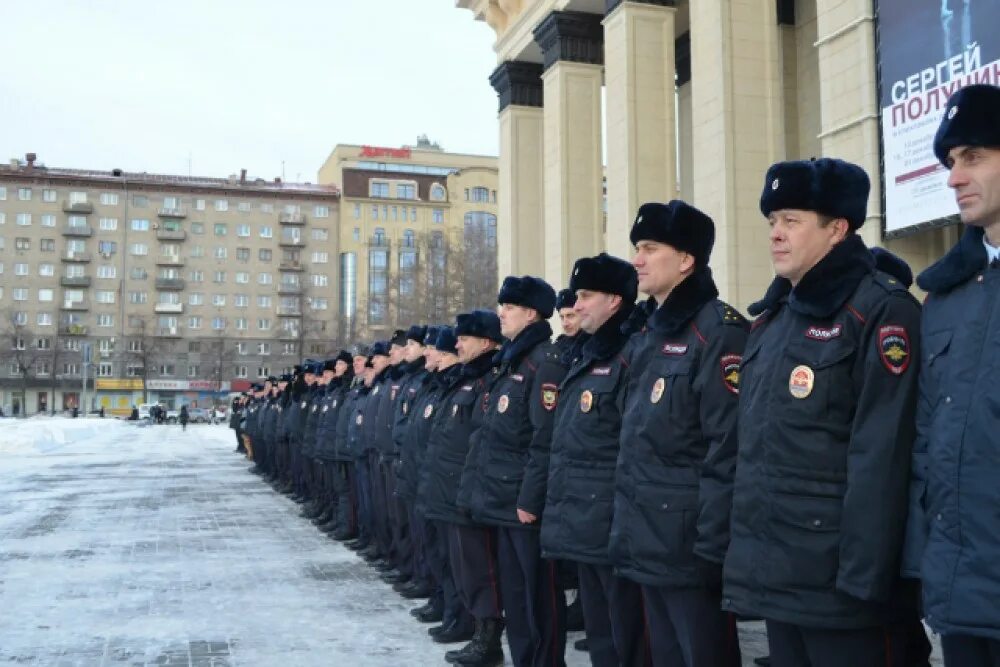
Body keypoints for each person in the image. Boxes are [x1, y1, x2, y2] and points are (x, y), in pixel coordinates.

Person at [723, 158, 924, 667]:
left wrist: (864, 582)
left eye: (791, 220)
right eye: (772, 222)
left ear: (837, 228)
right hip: (781, 579)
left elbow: (882, 455)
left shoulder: (880, 309)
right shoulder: (772, 320)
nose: (775, 234)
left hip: (845, 591)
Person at [608, 201, 746, 667]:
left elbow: (725, 448)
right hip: (649, 537)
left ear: (686, 260)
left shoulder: (717, 332)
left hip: (688, 546)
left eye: (649, 248)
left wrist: (711, 548)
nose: (637, 260)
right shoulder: (651, 331)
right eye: (636, 248)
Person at [903, 83, 1000, 667]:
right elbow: (926, 445)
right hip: (962, 595)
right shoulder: (945, 298)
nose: (954, 177)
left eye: (974, 157)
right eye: (949, 162)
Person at [541, 253, 649, 667]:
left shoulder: (630, 353)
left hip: (614, 525)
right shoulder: (586, 354)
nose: (576, 304)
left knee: (628, 638)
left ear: (614, 301)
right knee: (601, 636)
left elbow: (634, 446)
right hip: (586, 522)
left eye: (586, 295)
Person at [461, 276, 568, 667]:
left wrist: (530, 499)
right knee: (516, 595)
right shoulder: (512, 361)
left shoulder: (545, 361)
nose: (500, 313)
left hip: (525, 505)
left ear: (531, 313)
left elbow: (545, 439)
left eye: (508, 307)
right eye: (501, 305)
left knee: (539, 597)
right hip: (502, 500)